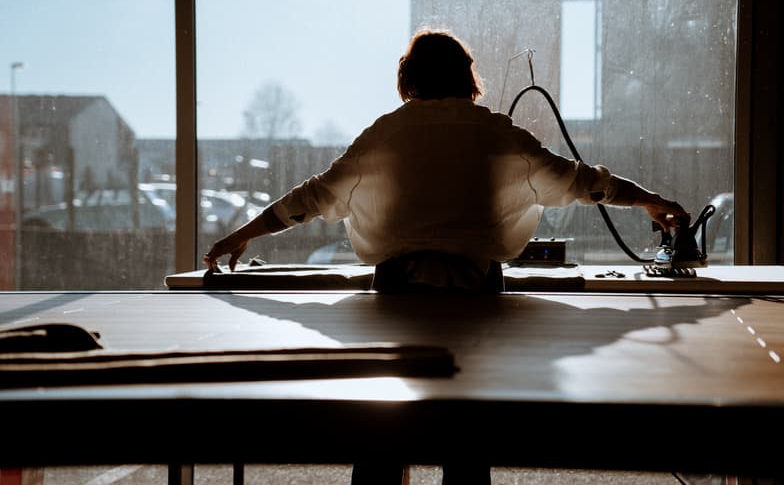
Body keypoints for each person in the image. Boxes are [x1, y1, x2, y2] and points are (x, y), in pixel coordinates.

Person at [203, 29, 689, 484]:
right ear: (467, 78)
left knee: (381, 435)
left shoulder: (384, 135)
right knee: (466, 437)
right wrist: (651, 200)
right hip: (477, 298)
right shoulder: (501, 136)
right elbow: (586, 182)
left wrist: (241, 234)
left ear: (407, 79)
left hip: (396, 300)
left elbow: (309, 199)